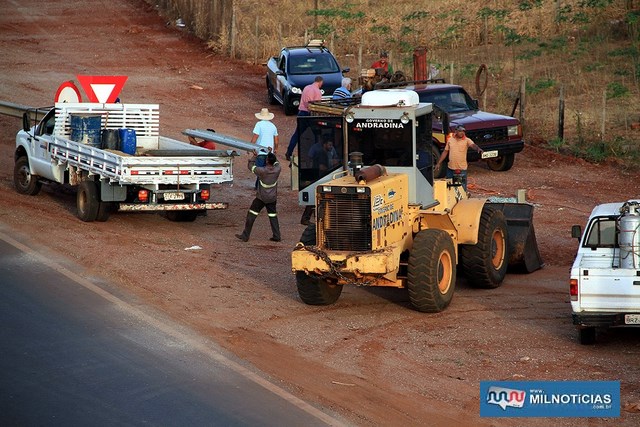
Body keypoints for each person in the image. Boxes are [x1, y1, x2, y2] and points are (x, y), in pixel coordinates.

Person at [236, 152, 282, 242]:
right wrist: (271, 153)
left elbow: (250, 166)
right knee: (273, 216)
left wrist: (254, 156)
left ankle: (245, 235)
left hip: (261, 198)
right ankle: (277, 236)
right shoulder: (277, 169)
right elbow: (277, 162)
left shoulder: (262, 171)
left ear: (267, 161)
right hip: (272, 198)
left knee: (252, 214)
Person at [301, 139, 340, 225]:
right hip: (320, 177)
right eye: (329, 145)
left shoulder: (324, 153)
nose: (331, 147)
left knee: (317, 200)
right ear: (324, 144)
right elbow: (321, 167)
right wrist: (333, 168)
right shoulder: (322, 154)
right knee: (316, 199)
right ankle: (307, 218)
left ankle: (313, 218)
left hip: (320, 176)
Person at [434, 125, 483, 192]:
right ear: (456, 131)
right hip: (450, 168)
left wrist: (478, 149)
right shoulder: (450, 140)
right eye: (460, 131)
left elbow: (473, 145)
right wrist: (439, 163)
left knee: (461, 189)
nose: (462, 133)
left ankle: (462, 201)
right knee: (449, 188)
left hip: (460, 169)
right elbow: (445, 152)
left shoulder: (467, 140)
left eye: (463, 131)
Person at [285, 76, 324, 160]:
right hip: (310, 114)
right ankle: (316, 154)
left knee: (297, 134)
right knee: (317, 134)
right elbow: (316, 106)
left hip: (301, 112)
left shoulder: (306, 87)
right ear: (320, 82)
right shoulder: (317, 91)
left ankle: (289, 152)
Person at [250, 108, 279, 188]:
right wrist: (276, 149)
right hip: (270, 153)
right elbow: (276, 140)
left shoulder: (259, 124)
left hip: (260, 152)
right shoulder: (273, 126)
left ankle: (258, 186)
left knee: (259, 171)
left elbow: (255, 136)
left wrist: (250, 147)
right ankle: (264, 186)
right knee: (268, 170)